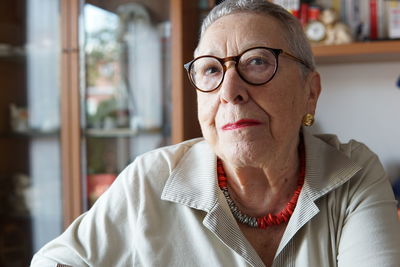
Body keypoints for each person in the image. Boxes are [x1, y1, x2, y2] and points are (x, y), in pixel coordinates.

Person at [31, 0, 400, 266]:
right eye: (210, 70)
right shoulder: (151, 180)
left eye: (257, 62)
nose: (229, 91)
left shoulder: (352, 173)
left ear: (311, 92)